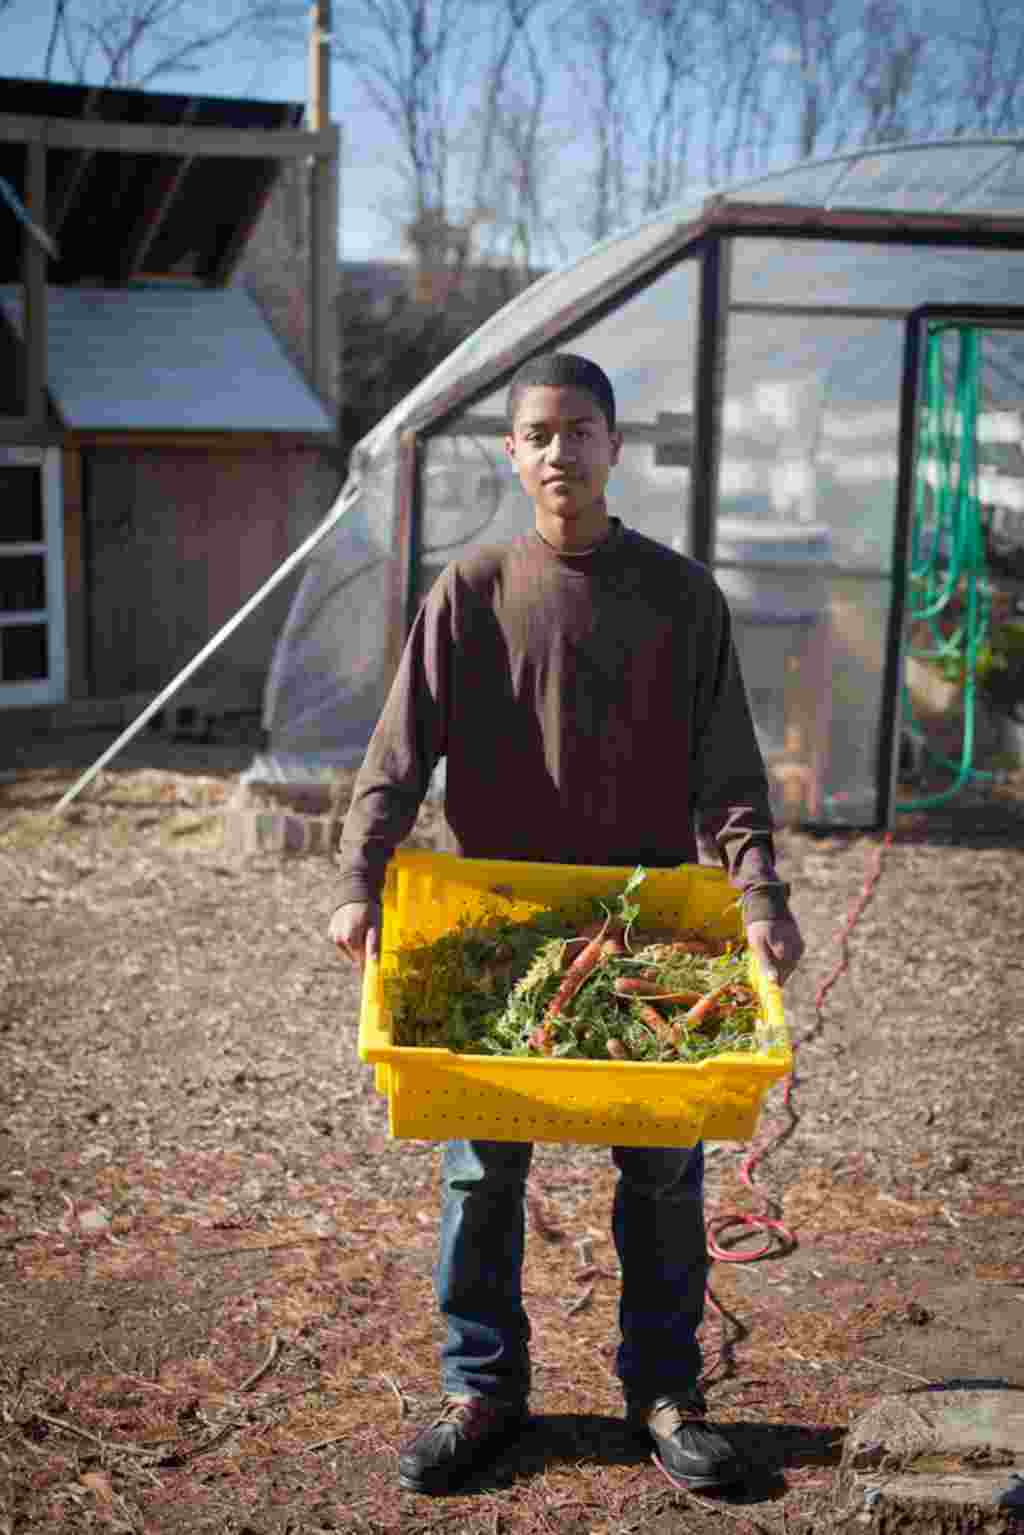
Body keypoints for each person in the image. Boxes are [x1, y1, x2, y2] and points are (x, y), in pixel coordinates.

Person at [329, 352, 805, 1496]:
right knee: (480, 1176)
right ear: (514, 451)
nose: (560, 451)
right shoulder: (474, 589)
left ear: (612, 445)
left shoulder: (680, 595)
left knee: (661, 1177)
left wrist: (760, 894)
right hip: (494, 935)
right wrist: (358, 875)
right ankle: (482, 1386)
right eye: (538, 433)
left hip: (645, 940)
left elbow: (728, 767)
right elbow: (397, 755)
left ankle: (665, 1391)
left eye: (579, 430)